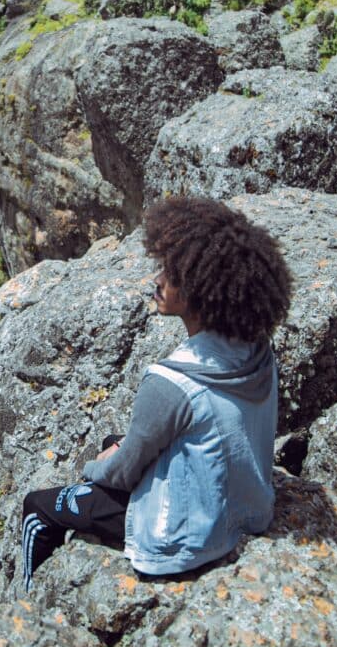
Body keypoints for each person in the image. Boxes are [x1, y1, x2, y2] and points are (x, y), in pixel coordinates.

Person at [21, 196, 292, 591]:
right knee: (117, 441)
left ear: (203, 291)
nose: (158, 279)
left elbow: (123, 473)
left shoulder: (172, 382)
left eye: (173, 273)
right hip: (249, 508)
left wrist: (94, 469)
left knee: (37, 508)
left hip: (182, 539)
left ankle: (28, 608)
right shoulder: (256, 349)